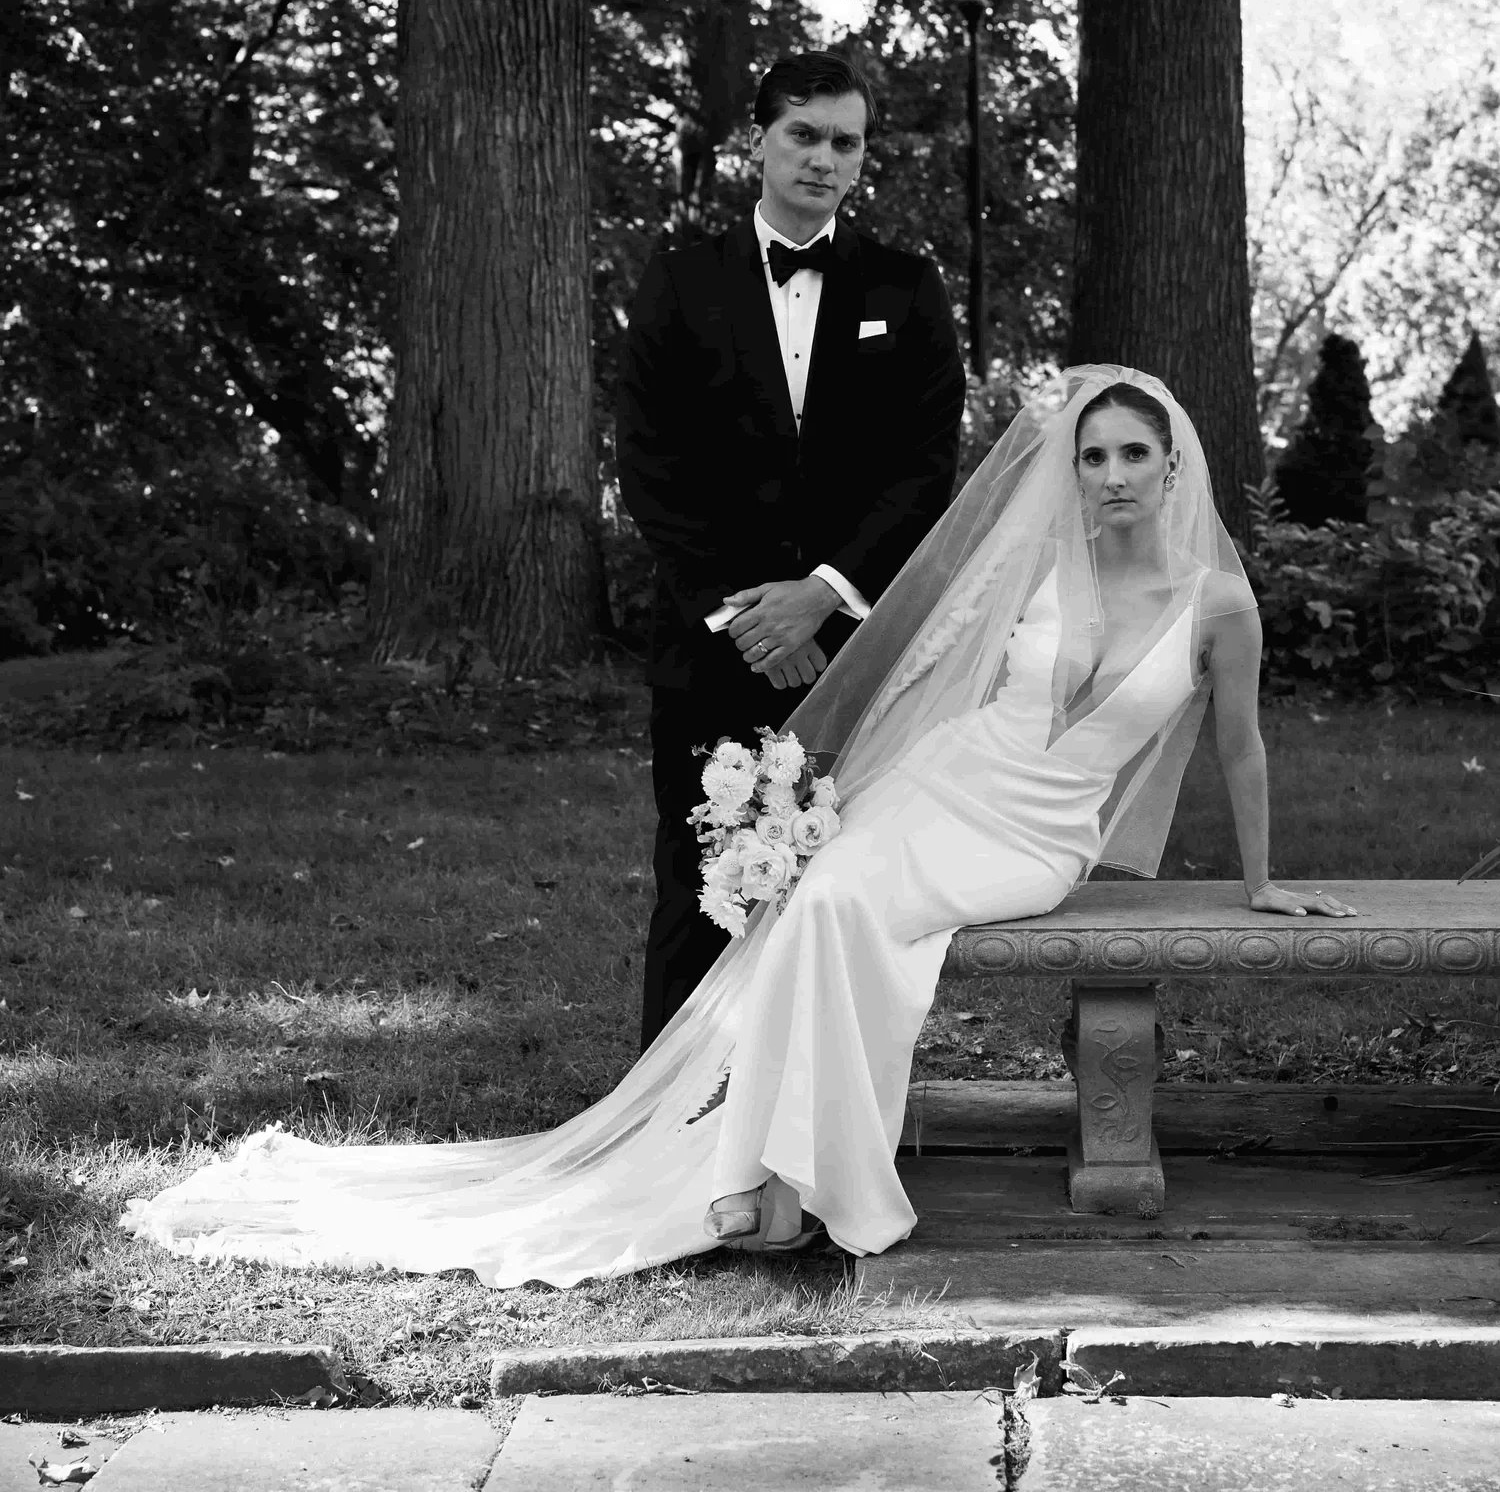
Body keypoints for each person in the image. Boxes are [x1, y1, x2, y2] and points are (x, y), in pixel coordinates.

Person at [121, 367, 1354, 1285]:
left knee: (858, 915)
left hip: (1037, 834)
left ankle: (803, 1173)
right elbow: (936, 672)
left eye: (1136, 452)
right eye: (1093, 456)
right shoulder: (1040, 569)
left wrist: (1265, 879)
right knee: (823, 902)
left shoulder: (1218, 601)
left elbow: (1239, 742)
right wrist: (834, 777)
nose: (1115, 474)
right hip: (942, 784)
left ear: (1174, 464)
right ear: (1072, 469)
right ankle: (762, 1186)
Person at [616, 51, 967, 1049]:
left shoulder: (906, 287)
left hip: (859, 653)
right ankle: (673, 1145)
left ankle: (818, 1135)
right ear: (757, 143)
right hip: (711, 649)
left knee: (840, 899)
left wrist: (821, 594)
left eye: (844, 141)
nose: (823, 157)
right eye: (803, 135)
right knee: (703, 890)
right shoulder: (682, 280)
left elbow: (920, 469)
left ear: (862, 158)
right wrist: (746, 615)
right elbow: (650, 463)